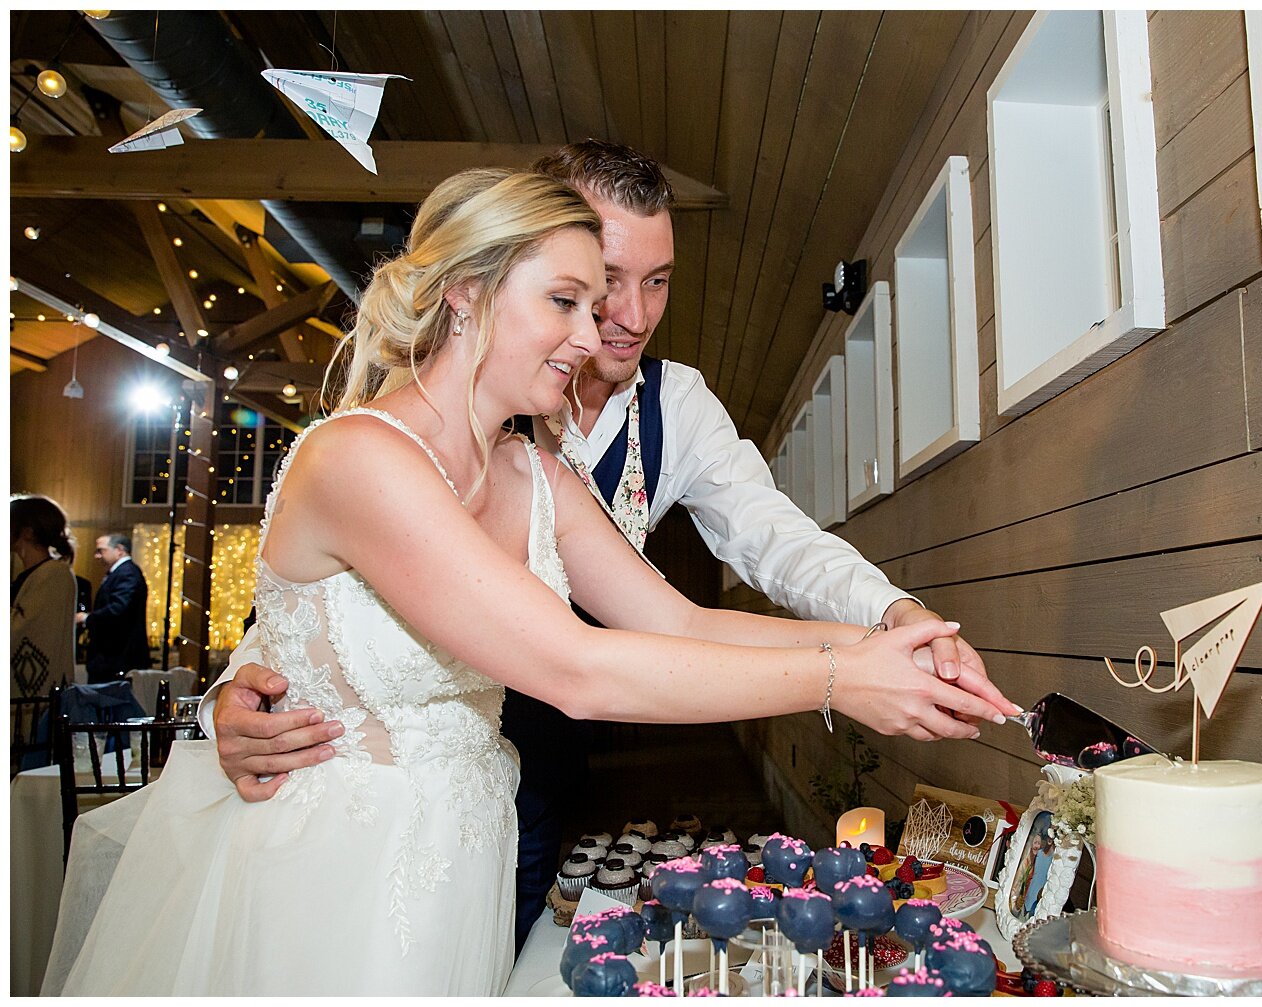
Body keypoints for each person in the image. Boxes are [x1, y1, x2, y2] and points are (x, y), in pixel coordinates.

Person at [46, 169, 1013, 995]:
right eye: (570, 301)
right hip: (326, 872)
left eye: (609, 303)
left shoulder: (535, 473)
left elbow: (678, 618)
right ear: (466, 292)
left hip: (464, 855)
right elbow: (577, 667)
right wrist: (842, 684)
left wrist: (893, 641)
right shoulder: (359, 459)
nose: (597, 333)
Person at [11, 495, 79, 698]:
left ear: (28, 532)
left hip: (35, 697)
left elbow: (24, 629)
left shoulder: (54, 575)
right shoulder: (32, 574)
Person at [76, 533, 150, 681]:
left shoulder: (127, 573)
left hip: (116, 657)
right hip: (112, 657)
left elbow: (118, 609)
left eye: (101, 551)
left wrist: (87, 618)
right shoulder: (122, 573)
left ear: (119, 550)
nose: (97, 556)